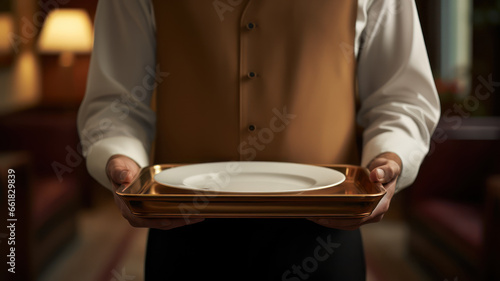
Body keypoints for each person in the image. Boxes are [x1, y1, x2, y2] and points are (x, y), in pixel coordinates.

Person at [77, 0, 440, 280]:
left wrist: (389, 157)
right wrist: (120, 158)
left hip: (327, 236)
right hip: (183, 232)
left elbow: (400, 97)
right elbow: (116, 104)